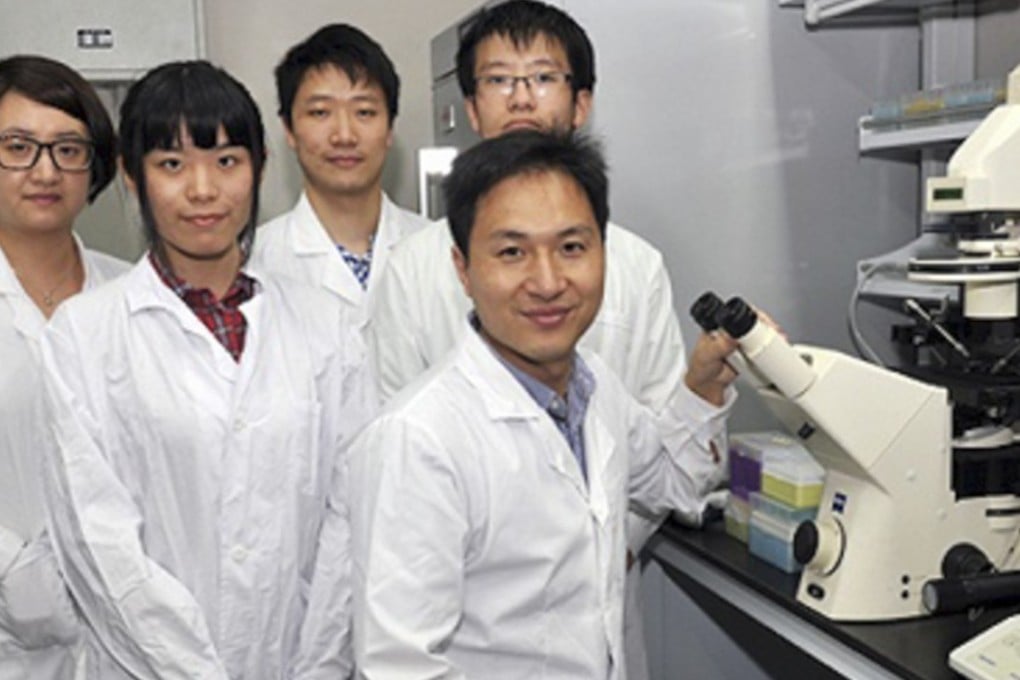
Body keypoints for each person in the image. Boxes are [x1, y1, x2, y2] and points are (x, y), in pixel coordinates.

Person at [366, 2, 730, 676]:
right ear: (463, 268)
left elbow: (676, 482)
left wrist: (705, 383)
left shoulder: (597, 391)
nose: (547, 281)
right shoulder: (419, 436)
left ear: (603, 249)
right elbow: (402, 664)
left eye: (571, 247)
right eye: (511, 253)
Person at [39, 61, 373, 679]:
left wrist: (319, 668)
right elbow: (98, 541)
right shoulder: (84, 335)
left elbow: (352, 519)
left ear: (260, 168)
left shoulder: (329, 328)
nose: (202, 189)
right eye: (171, 164)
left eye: (226, 160)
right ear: (132, 178)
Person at [0, 54, 126, 679]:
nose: (44, 170)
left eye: (68, 149)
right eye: (18, 147)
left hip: (127, 632)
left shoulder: (132, 297)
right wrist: (11, 570)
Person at [251, 23, 428, 333]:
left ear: (389, 128)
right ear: (289, 130)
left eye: (364, 112)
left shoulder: (439, 249)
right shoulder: (254, 261)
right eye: (320, 112)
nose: (344, 135)